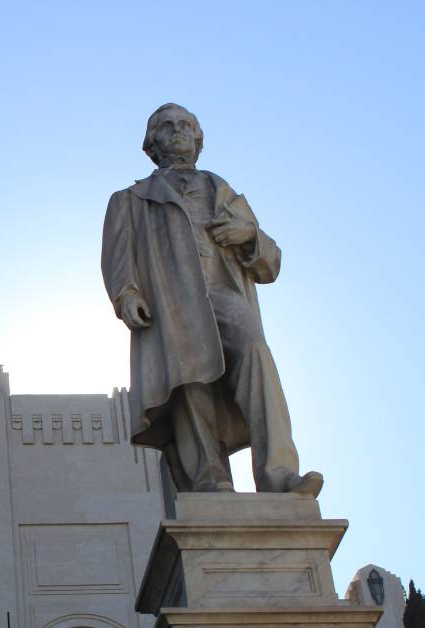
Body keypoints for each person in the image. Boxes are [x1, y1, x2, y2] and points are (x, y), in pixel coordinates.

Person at [101, 103, 322, 496]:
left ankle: (279, 474)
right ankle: (209, 479)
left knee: (255, 354)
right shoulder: (131, 200)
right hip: (170, 301)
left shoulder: (223, 193)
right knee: (190, 383)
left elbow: (270, 264)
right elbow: (117, 258)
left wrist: (249, 236)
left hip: (224, 291)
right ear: (152, 145)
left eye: (185, 125)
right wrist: (126, 294)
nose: (177, 131)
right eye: (166, 127)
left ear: (198, 139)